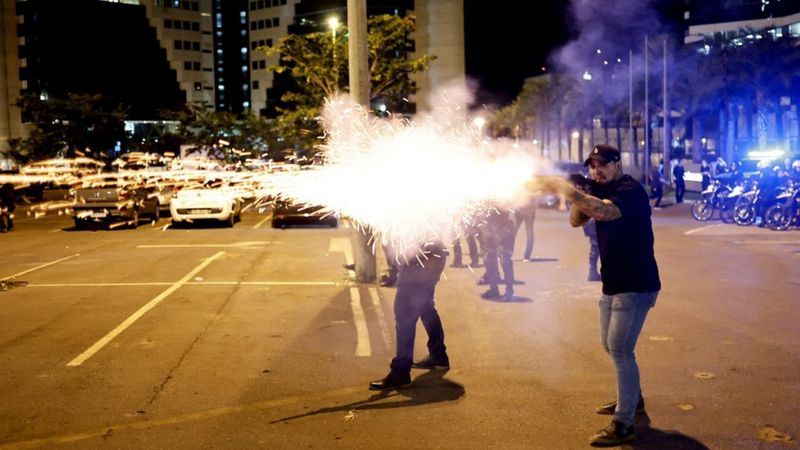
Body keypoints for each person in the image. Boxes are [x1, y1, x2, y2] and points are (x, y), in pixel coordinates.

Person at [534, 144, 661, 446]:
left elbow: (604, 212)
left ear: (618, 163)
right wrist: (579, 189)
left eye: (602, 165)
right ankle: (633, 399)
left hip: (636, 283)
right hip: (613, 282)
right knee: (610, 345)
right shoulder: (593, 188)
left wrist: (569, 190)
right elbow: (577, 219)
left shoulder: (630, 190)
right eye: (592, 166)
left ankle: (624, 424)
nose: (597, 170)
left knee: (619, 349)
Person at [369, 241, 450, 390]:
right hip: (431, 259)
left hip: (419, 263)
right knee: (426, 308)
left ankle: (401, 371)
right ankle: (438, 355)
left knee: (404, 315)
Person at [479, 208, 516, 301]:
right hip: (490, 223)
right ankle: (494, 289)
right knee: (489, 260)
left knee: (505, 260)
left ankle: (509, 291)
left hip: (503, 225)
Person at [514, 195, 537, 262]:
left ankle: (507, 254)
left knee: (513, 233)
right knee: (529, 233)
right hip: (530, 210)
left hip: (520, 209)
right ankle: (527, 256)